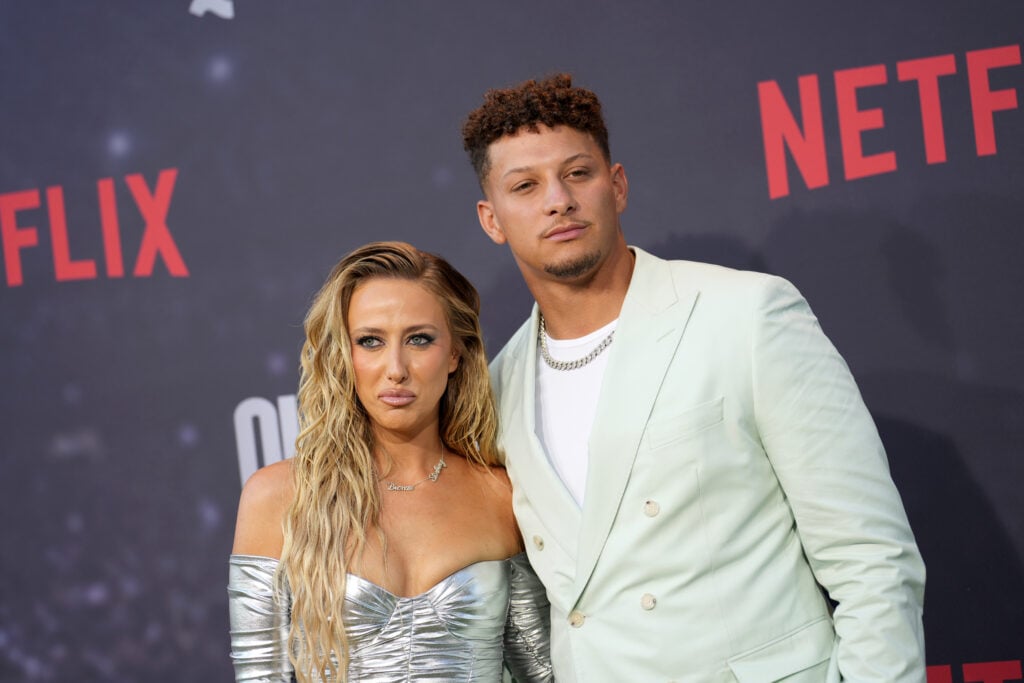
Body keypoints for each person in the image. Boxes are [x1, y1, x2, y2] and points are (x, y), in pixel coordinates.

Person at [461, 74, 926, 682]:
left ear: (617, 185)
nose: (558, 200)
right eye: (525, 185)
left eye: (577, 173)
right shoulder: (498, 389)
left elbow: (873, 560)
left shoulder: (746, 315)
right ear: (491, 219)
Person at [227, 242, 553, 682]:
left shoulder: (498, 494)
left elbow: (542, 673)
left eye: (419, 339)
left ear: (455, 353)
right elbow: (260, 676)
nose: (395, 368)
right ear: (344, 356)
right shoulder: (279, 497)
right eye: (371, 341)